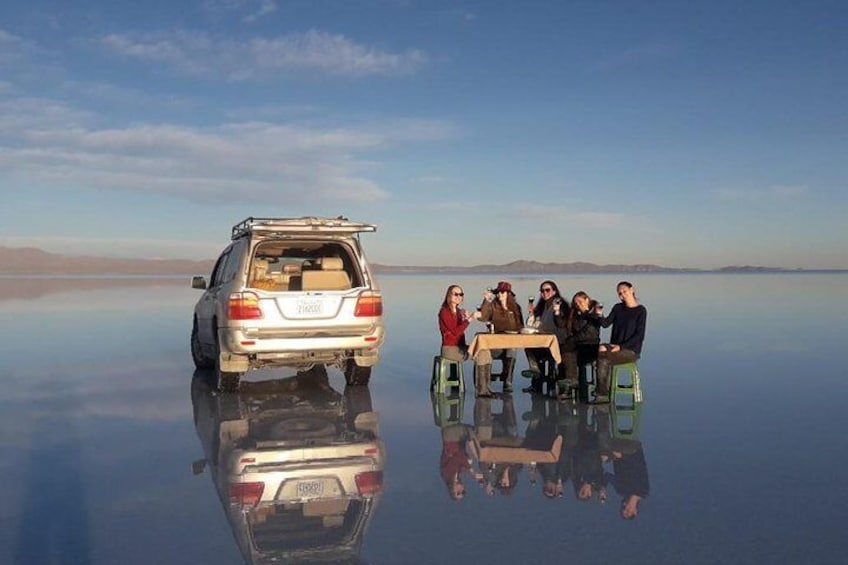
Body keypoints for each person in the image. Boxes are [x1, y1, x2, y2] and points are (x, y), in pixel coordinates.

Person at [593, 281, 647, 404]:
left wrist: (621, 346)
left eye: (624, 291)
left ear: (631, 290)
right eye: (620, 293)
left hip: (630, 351)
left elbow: (639, 336)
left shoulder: (641, 311)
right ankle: (601, 389)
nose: (622, 294)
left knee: (602, 359)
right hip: (614, 347)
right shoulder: (618, 308)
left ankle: (602, 394)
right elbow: (606, 324)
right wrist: (599, 314)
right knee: (600, 349)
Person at [476, 281, 524, 396]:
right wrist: (486, 301)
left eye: (502, 292)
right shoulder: (492, 305)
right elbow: (482, 317)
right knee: (484, 351)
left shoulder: (516, 308)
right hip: (494, 345)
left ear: (509, 294)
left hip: (509, 343)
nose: (500, 295)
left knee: (512, 348)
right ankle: (485, 385)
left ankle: (508, 382)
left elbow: (521, 326)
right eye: (498, 292)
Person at [557, 291, 603, 401]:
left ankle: (571, 382)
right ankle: (568, 385)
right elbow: (561, 324)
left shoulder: (595, 313)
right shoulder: (575, 315)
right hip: (577, 347)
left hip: (590, 347)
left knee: (568, 351)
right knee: (563, 354)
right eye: (575, 302)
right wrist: (557, 313)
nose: (577, 304)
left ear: (587, 300)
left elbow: (589, 333)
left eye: (580, 301)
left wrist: (571, 340)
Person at [523, 280, 567, 393]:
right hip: (544, 341)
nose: (544, 293)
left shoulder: (559, 304)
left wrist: (557, 312)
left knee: (538, 351)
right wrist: (532, 314)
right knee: (530, 347)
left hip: (559, 342)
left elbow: (562, 324)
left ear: (554, 291)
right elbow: (532, 324)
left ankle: (549, 381)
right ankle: (536, 379)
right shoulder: (542, 306)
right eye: (542, 291)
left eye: (547, 290)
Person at [438, 285, 474, 362]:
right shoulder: (444, 312)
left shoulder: (459, 312)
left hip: (460, 347)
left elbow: (460, 331)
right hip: (449, 349)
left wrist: (464, 319)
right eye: (455, 294)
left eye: (461, 294)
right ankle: (483, 374)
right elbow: (455, 332)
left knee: (483, 352)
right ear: (449, 295)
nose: (458, 296)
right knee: (481, 355)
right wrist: (469, 320)